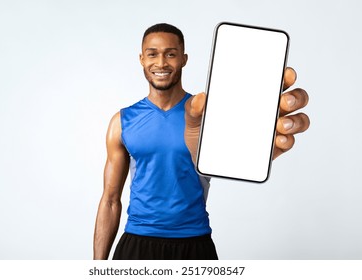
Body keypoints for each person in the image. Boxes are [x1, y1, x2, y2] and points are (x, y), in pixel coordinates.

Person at [93, 23, 310, 260]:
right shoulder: (122, 121)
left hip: (195, 244)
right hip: (137, 242)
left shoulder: (207, 115)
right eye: (152, 54)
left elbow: (235, 155)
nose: (161, 63)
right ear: (142, 59)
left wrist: (255, 139)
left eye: (171, 54)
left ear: (184, 59)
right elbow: (110, 200)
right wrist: (96, 267)